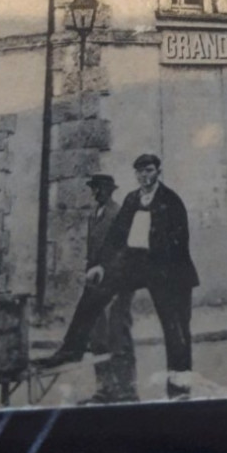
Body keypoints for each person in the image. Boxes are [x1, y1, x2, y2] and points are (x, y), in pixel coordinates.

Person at [35, 153, 199, 401]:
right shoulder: (132, 199)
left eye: (149, 170)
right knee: (94, 290)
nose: (144, 176)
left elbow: (180, 241)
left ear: (158, 172)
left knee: (176, 332)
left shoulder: (170, 200)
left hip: (169, 270)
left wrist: (161, 267)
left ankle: (179, 391)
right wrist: (101, 265)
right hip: (137, 265)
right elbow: (116, 236)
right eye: (140, 172)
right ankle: (71, 350)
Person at [82, 173, 138, 404]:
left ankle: (127, 390)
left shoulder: (118, 214)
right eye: (93, 188)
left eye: (97, 188)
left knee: (118, 334)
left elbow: (124, 251)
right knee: (97, 338)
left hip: (118, 283)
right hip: (96, 285)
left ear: (108, 190)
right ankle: (105, 389)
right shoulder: (94, 215)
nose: (94, 192)